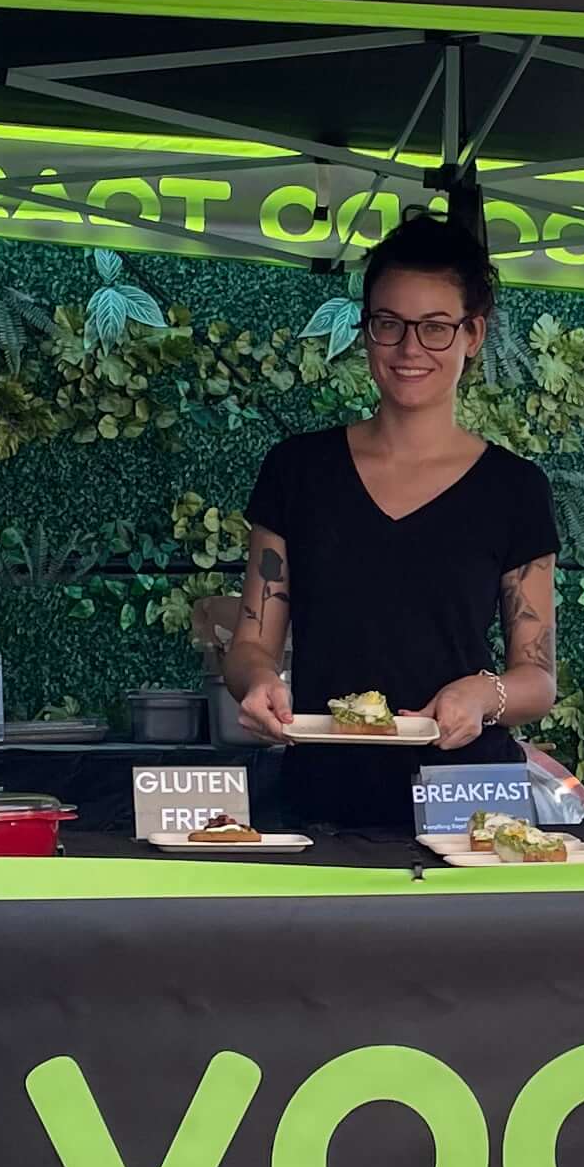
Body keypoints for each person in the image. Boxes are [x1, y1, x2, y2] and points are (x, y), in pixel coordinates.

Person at [225, 212, 557, 813]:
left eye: (434, 327)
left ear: (472, 335)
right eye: (389, 324)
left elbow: (536, 677)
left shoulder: (516, 488)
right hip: (325, 796)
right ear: (366, 329)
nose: (409, 349)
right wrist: (258, 685)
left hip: (469, 802)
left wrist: (482, 695)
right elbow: (251, 644)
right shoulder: (298, 471)